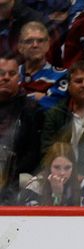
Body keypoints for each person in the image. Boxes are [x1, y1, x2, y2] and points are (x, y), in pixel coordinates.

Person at [0, 52, 42, 204]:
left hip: (18, 175)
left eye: (11, 73)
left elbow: (34, 152)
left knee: (31, 181)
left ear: (19, 78)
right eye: (1, 73)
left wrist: (10, 172)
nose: (5, 77)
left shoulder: (29, 109)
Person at [18, 142, 84, 206]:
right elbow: (36, 220)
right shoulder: (35, 185)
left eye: (67, 168)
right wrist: (57, 195)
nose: (62, 173)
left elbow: (82, 219)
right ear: (49, 167)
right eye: (57, 167)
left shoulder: (82, 184)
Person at [17, 21, 69, 110]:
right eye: (29, 41)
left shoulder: (61, 75)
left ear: (48, 44)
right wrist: (37, 97)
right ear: (20, 47)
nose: (35, 45)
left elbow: (57, 107)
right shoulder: (11, 74)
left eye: (40, 41)